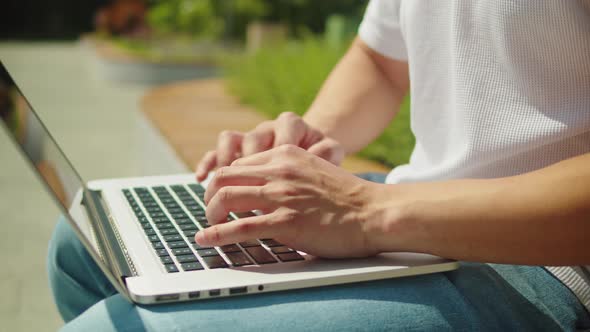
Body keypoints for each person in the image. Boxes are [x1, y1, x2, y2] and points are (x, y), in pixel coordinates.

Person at [48, 1, 590, 330]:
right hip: (415, 208)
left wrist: (365, 211)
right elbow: (380, 59)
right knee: (83, 245)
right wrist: (308, 142)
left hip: (545, 265)